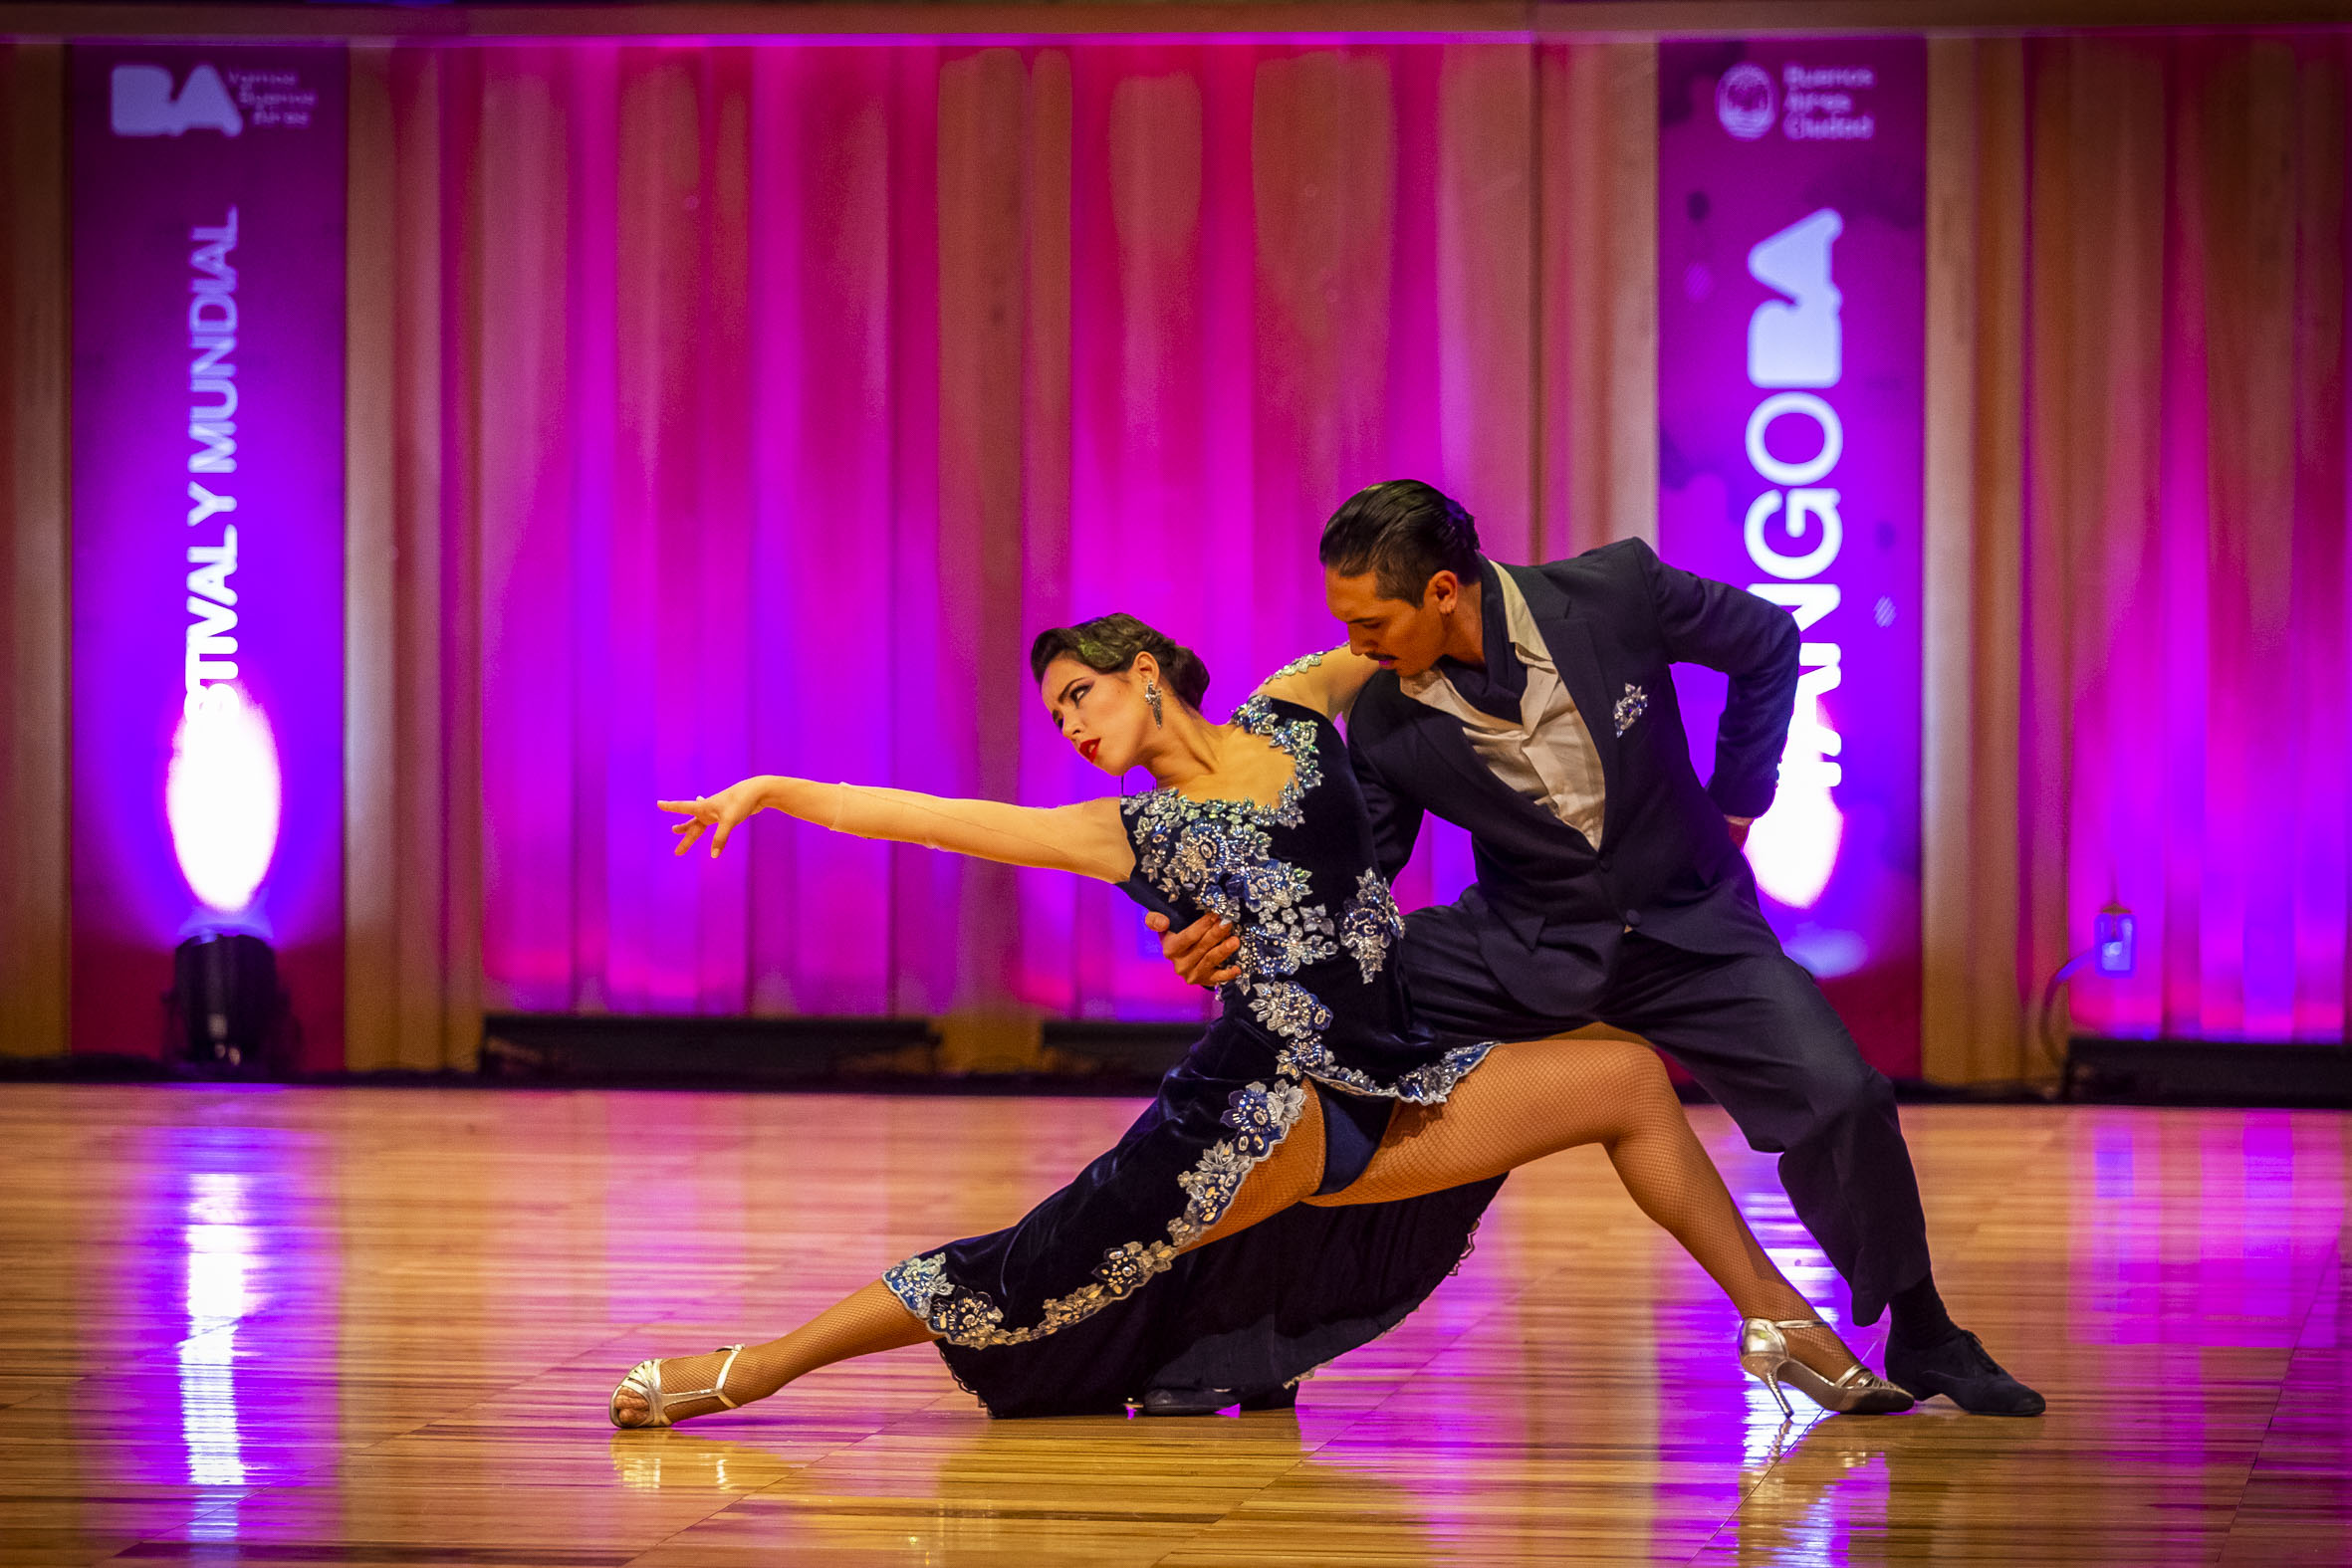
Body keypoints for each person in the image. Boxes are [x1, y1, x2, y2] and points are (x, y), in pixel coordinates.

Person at [609, 614, 1912, 1427]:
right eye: (1054, 711)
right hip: (1255, 1111)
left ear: (1141, 674)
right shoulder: (1117, 828)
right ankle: (751, 1367)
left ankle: (1779, 1328)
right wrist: (780, 787)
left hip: (1393, 1078)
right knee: (1026, 1269)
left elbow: (1409, 613)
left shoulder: (1292, 712)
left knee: (1625, 1074)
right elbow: (925, 819)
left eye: (1079, 695)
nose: (1067, 724)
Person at [1153, 481, 2042, 1416]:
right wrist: (1236, 922)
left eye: (1372, 621)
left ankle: (1924, 1325)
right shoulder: (1379, 716)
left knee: (1843, 1095)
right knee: (1313, 1028)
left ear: (1445, 591)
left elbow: (1768, 642)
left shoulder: (1617, 591)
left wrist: (1738, 799)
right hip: (1520, 939)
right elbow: (1358, 869)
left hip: (1690, 924)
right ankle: (1239, 1339)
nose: (1353, 644)